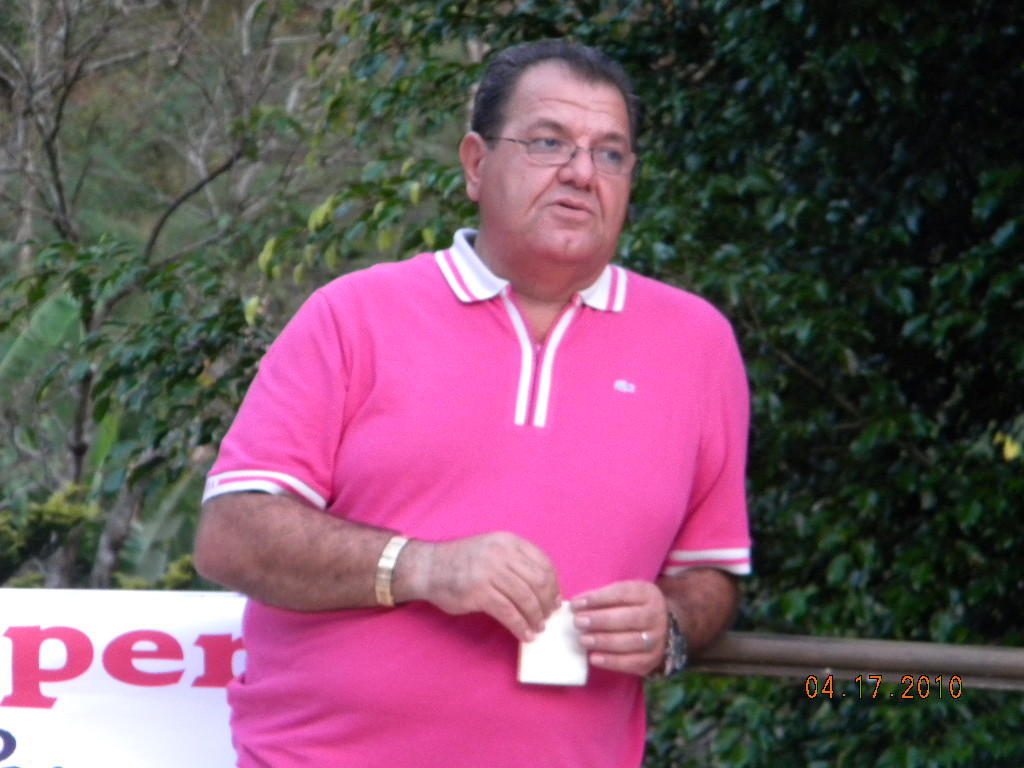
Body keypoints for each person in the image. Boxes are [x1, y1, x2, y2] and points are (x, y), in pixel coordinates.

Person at [194, 39, 751, 768]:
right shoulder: (355, 315)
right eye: (548, 143)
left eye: (610, 153)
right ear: (475, 164)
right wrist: (420, 567)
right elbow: (231, 534)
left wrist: (672, 623)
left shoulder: (695, 344)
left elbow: (710, 570)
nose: (581, 172)